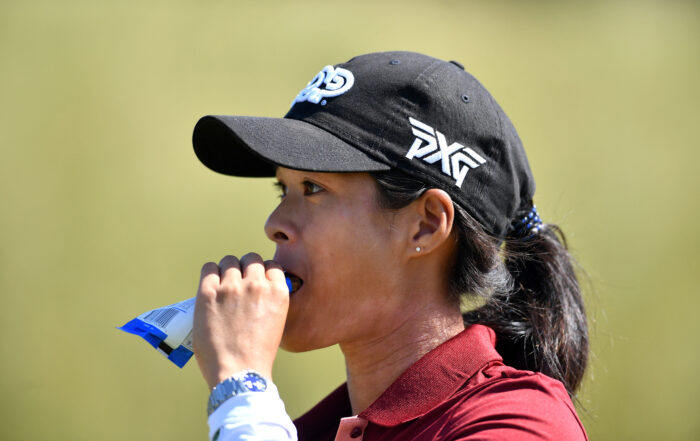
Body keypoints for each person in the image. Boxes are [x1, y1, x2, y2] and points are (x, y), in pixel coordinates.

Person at [190, 51, 589, 441]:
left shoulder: (520, 424)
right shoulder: (304, 430)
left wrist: (242, 390)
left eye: (313, 188)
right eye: (283, 190)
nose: (274, 225)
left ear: (425, 225)